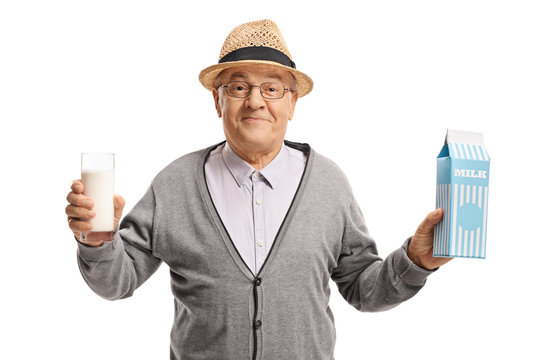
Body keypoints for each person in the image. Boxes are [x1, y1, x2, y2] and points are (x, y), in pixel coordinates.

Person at [66, 19, 451, 360]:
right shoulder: (175, 184)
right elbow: (117, 282)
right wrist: (97, 241)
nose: (254, 101)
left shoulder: (329, 184)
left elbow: (364, 290)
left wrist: (415, 262)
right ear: (217, 101)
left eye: (271, 89)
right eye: (238, 87)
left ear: (292, 102)